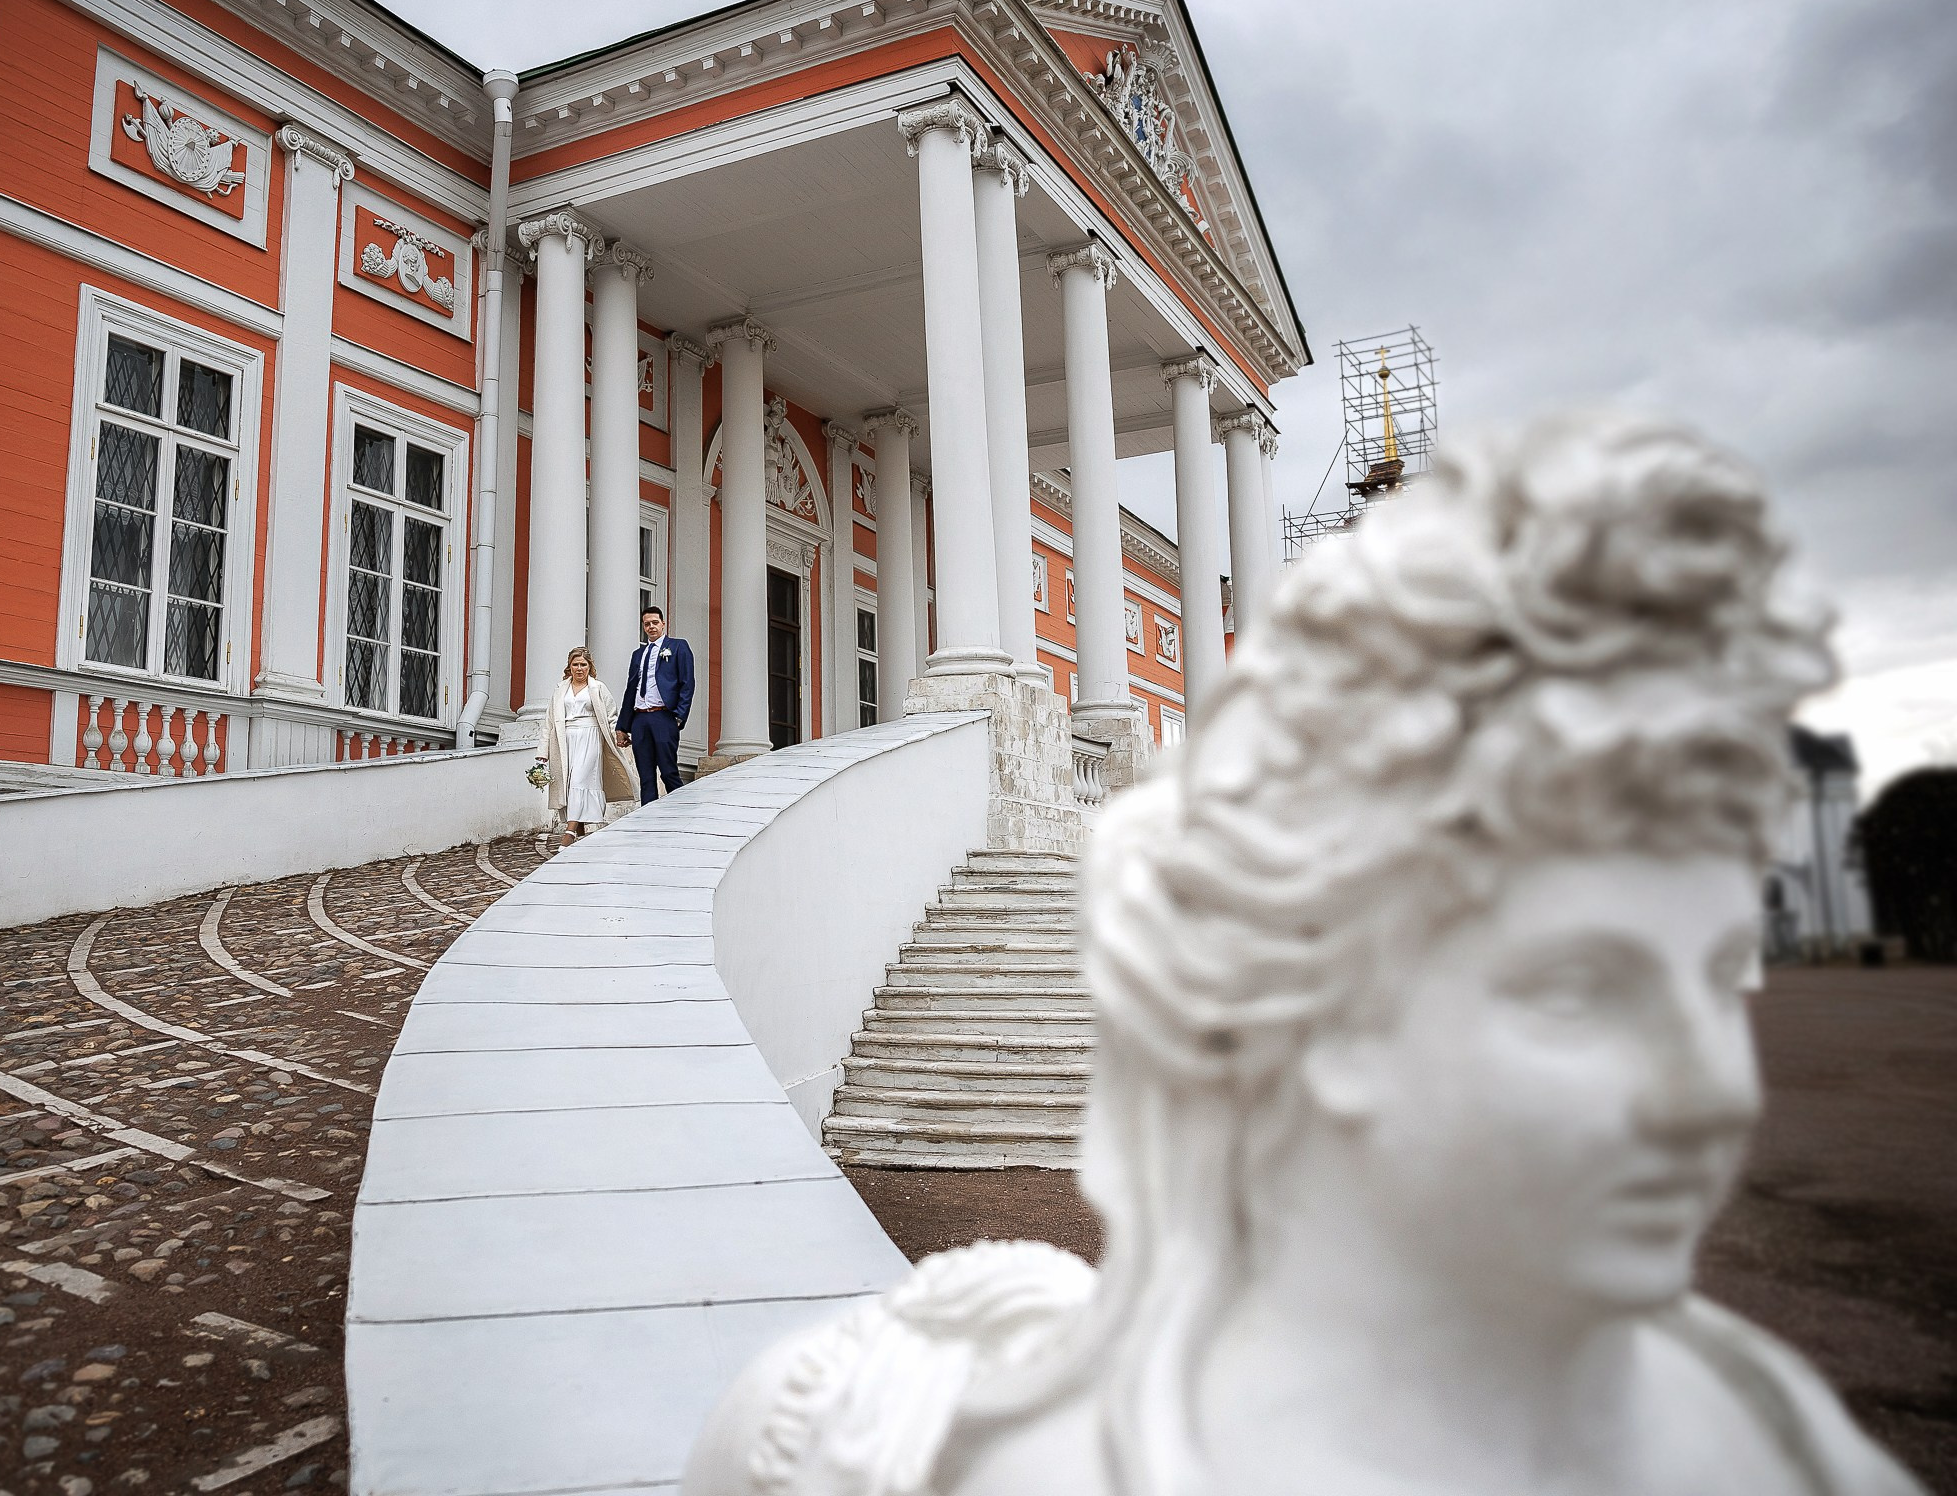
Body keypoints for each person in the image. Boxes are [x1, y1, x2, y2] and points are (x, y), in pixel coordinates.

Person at [686, 415, 1924, 1496]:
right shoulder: (863, 1436)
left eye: (1720, 978)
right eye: (1577, 989)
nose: (1717, 1092)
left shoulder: (1761, 1447)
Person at [534, 647, 634, 847]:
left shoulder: (597, 688)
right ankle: (578, 831)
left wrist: (621, 734)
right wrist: (543, 752)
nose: (579, 668)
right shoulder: (560, 689)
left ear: (590, 666)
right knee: (570, 784)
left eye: (583, 664)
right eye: (575, 664)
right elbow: (550, 722)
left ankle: (569, 832)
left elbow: (611, 716)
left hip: (591, 736)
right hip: (565, 740)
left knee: (580, 777)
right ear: (569, 666)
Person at [615, 605, 695, 804]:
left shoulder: (678, 647)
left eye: (654, 623)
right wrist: (622, 726)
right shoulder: (637, 654)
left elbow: (687, 683)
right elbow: (630, 689)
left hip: (664, 716)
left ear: (663, 624)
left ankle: (682, 809)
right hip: (640, 718)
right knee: (646, 775)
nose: (651, 627)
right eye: (647, 624)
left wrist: (679, 716)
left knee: (668, 771)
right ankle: (647, 820)